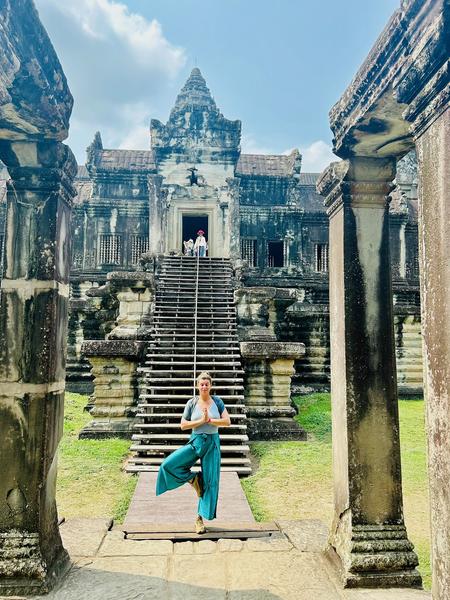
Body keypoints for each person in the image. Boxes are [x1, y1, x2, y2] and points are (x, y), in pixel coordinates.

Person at [156, 372, 231, 533]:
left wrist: (210, 420)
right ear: (197, 386)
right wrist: (201, 421)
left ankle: (199, 519)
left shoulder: (217, 402)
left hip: (212, 444)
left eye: (207, 384)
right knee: (168, 465)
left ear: (210, 386)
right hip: (196, 442)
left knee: (211, 482)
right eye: (201, 384)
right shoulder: (192, 403)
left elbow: (227, 421)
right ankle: (194, 478)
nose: (204, 386)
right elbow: (183, 425)